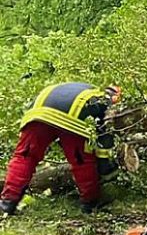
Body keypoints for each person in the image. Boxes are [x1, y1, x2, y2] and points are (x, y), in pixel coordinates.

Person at [0, 83, 123, 216]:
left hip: (36, 115)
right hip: (71, 120)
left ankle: (7, 203)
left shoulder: (80, 88)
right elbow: (103, 135)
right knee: (81, 160)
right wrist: (105, 163)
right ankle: (90, 204)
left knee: (24, 157)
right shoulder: (103, 100)